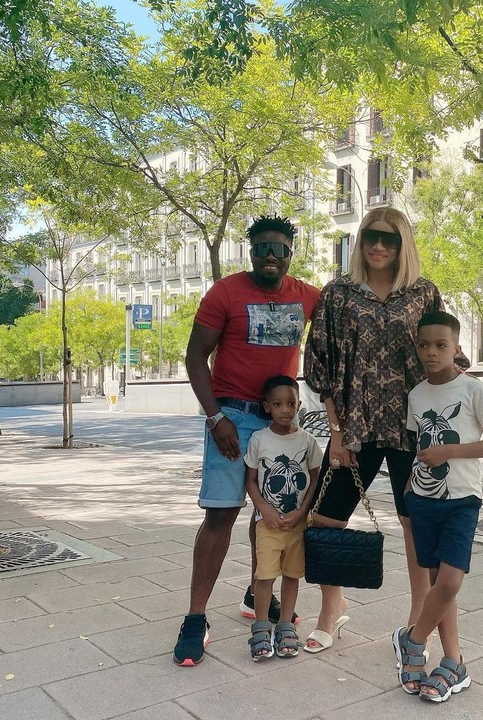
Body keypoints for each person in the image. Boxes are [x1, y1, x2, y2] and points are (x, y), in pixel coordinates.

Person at [173, 215, 320, 666]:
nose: (271, 257)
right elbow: (195, 356)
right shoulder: (225, 293)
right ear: (250, 251)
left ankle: (258, 597)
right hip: (231, 417)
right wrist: (215, 416)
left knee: (271, 516)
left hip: (281, 422)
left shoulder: (307, 296)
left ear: (291, 253)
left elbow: (354, 327)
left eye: (280, 249)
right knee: (221, 515)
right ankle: (195, 618)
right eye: (262, 248)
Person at [302, 206, 443, 653]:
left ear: (403, 245)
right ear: (360, 240)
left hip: (411, 429)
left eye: (390, 239)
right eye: (371, 237)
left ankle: (418, 622)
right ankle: (332, 610)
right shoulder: (338, 294)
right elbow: (320, 364)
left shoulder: (423, 294)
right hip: (353, 427)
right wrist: (335, 432)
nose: (379, 246)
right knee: (327, 518)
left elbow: (442, 353)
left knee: (415, 523)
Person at [394, 311, 483, 703]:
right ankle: (453, 662)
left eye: (440, 345)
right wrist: (408, 490)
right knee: (439, 585)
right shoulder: (417, 394)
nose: (431, 352)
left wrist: (450, 451)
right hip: (422, 501)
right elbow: (418, 446)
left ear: (456, 347)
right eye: (424, 345)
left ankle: (412, 640)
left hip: (462, 501)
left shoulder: (473, 389)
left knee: (451, 581)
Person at [244, 375, 322, 660]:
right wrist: (263, 508)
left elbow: (315, 479)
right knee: (264, 576)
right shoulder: (259, 440)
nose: (285, 410)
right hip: (267, 524)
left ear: (299, 405)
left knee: (292, 574)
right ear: (267, 406)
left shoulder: (307, 441)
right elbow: (251, 480)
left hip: (297, 525)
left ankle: (286, 625)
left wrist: (302, 511)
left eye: (291, 403)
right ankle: (261, 627)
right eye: (277, 404)